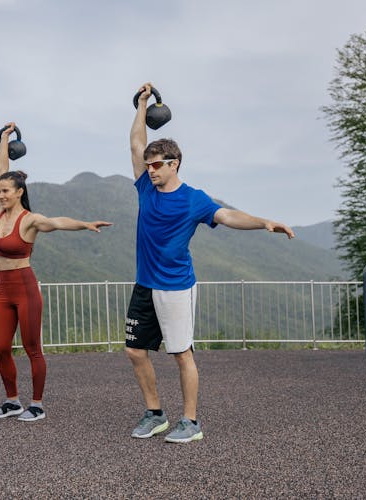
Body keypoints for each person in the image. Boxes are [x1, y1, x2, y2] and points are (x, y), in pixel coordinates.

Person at [126, 83, 295, 443]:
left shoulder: (193, 200)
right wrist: (141, 106)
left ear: (175, 164)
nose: (150, 169)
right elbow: (136, 143)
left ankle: (191, 422)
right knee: (135, 350)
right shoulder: (144, 187)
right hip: (145, 282)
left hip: (175, 286)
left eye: (157, 165)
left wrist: (264, 222)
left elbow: (228, 215)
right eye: (148, 165)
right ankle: (155, 413)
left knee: (181, 354)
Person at [0, 122, 112, 422]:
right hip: (3, 289)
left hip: (25, 287)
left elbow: (57, 222)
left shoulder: (30, 220)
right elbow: (1, 169)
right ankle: (12, 401)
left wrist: (85, 224)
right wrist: (4, 140)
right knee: (0, 347)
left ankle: (37, 404)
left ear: (19, 193)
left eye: (5, 191)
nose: (0, 195)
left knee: (32, 348)